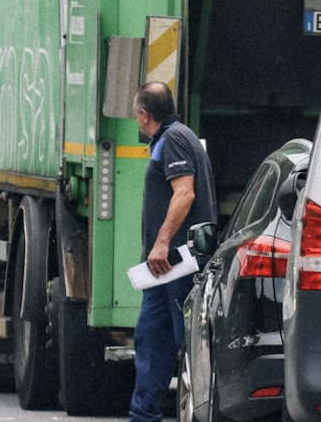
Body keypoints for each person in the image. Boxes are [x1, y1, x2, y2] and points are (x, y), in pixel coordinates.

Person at [128, 82, 216, 422]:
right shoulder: (173, 138)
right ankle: (143, 415)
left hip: (177, 264)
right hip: (162, 269)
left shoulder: (175, 139)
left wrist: (163, 241)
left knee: (186, 345)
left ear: (144, 114)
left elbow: (185, 194)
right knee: (151, 338)